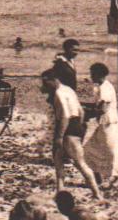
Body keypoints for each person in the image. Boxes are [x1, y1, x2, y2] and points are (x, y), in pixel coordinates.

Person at [42, 70, 102, 199]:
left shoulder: (58, 94)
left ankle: (97, 193)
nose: (45, 85)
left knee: (79, 163)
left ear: (53, 80)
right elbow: (81, 111)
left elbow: (64, 117)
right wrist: (79, 128)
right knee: (58, 160)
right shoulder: (68, 89)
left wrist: (59, 136)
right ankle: (59, 192)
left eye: (46, 82)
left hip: (66, 128)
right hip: (76, 126)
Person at [83, 62, 118, 188]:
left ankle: (115, 176)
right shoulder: (100, 87)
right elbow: (99, 106)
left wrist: (86, 111)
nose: (91, 76)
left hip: (109, 122)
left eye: (92, 73)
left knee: (110, 150)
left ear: (98, 74)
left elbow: (103, 109)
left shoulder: (105, 88)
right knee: (95, 148)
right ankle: (114, 176)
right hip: (103, 122)